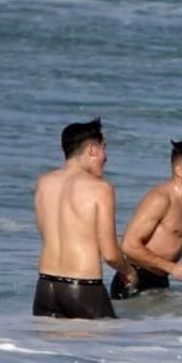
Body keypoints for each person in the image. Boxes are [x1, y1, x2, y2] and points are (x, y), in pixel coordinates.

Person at [33, 118, 134, 319]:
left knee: (52, 350)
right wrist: (129, 272)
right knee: (110, 349)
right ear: (92, 150)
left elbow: (46, 233)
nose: (106, 157)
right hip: (83, 289)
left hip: (45, 288)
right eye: (104, 148)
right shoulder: (100, 188)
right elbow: (111, 254)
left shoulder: (43, 183)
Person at [110, 139, 182, 300]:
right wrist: (171, 267)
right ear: (180, 171)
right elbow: (128, 245)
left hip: (160, 280)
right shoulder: (160, 198)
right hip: (133, 280)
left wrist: (171, 267)